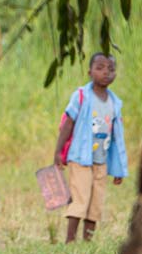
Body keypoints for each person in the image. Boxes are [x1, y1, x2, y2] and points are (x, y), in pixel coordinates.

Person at [54, 53, 128, 243]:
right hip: (80, 158)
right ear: (90, 72)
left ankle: (88, 242)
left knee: (96, 203)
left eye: (111, 69)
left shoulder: (114, 102)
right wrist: (58, 152)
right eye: (100, 68)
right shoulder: (82, 96)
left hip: (101, 161)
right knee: (80, 198)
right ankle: (70, 241)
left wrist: (119, 168)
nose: (106, 72)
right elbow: (68, 124)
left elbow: (118, 138)